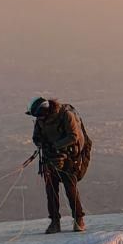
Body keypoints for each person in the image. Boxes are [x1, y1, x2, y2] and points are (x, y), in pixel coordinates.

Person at [28, 97, 91, 233]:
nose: (38, 118)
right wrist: (41, 144)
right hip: (50, 157)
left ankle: (79, 219)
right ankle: (55, 222)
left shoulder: (65, 115)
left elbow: (73, 136)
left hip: (69, 157)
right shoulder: (41, 120)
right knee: (51, 190)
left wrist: (55, 146)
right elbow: (36, 137)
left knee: (70, 188)